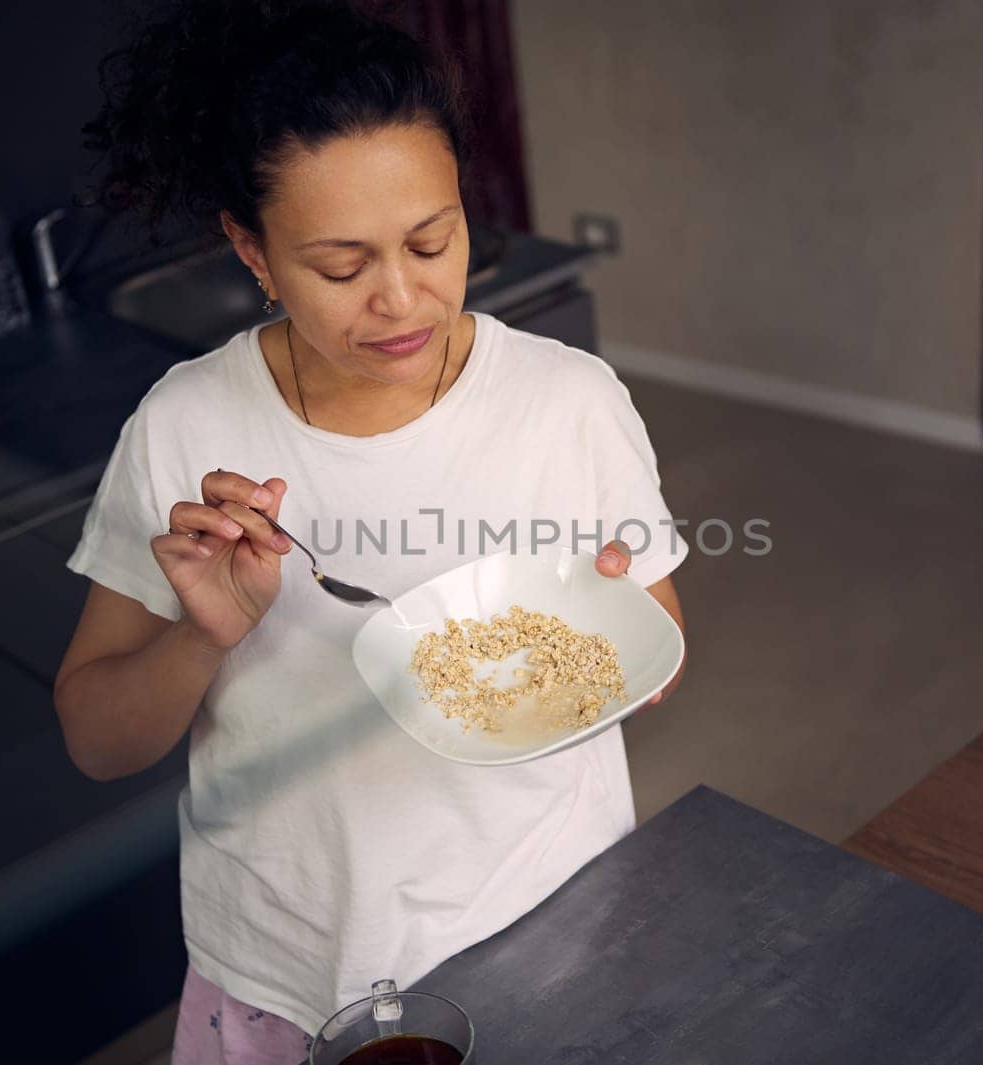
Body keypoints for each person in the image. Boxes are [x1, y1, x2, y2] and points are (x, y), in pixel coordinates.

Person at [55, 2, 689, 1060]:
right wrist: (201, 634)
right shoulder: (185, 426)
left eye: (432, 241)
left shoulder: (568, 401)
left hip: (550, 923)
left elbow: (657, 639)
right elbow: (96, 740)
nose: (402, 300)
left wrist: (614, 625)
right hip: (288, 961)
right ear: (251, 249)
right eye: (341, 267)